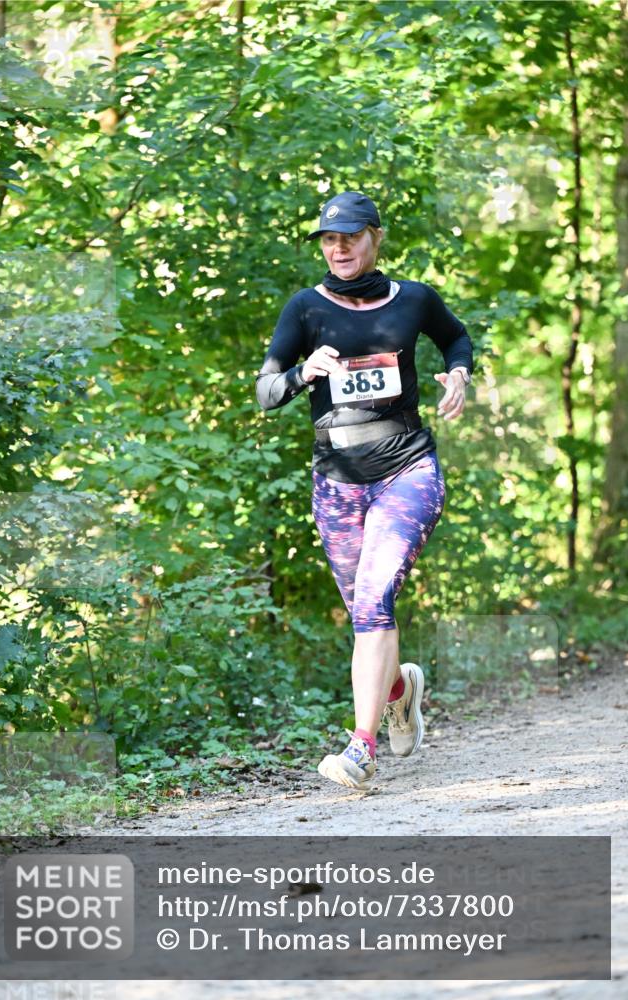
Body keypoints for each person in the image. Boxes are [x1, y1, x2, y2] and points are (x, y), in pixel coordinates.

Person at [255, 191, 474, 792]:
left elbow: (456, 338)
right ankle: (400, 692)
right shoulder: (305, 309)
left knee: (375, 600)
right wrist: (304, 374)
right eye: (329, 238)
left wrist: (459, 373)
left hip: (408, 468)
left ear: (376, 237)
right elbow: (266, 390)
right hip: (337, 484)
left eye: (351, 236)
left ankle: (360, 749)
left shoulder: (415, 299)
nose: (340, 247)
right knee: (364, 613)